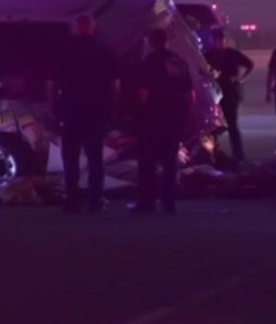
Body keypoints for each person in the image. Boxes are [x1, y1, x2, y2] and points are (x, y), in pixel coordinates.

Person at [47, 15, 120, 213]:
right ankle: (96, 199)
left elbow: (52, 83)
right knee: (95, 155)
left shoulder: (65, 50)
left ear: (76, 28)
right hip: (96, 110)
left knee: (70, 156)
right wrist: (112, 108)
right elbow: (115, 84)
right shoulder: (103, 50)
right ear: (92, 27)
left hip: (70, 109)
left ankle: (72, 199)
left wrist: (53, 106)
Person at [132, 28, 195, 214]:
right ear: (167, 41)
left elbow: (143, 93)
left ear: (152, 42)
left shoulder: (148, 62)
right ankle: (169, 202)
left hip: (152, 119)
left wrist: (140, 113)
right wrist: (185, 114)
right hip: (174, 119)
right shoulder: (179, 63)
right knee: (170, 161)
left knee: (147, 162)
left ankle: (147, 202)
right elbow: (190, 93)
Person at [204, 29, 254, 160]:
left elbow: (250, 64)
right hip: (215, 94)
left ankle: (238, 154)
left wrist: (240, 79)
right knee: (213, 125)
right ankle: (213, 153)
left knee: (232, 124)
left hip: (231, 92)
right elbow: (202, 70)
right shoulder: (208, 55)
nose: (218, 43)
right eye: (215, 40)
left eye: (220, 40)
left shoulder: (232, 54)